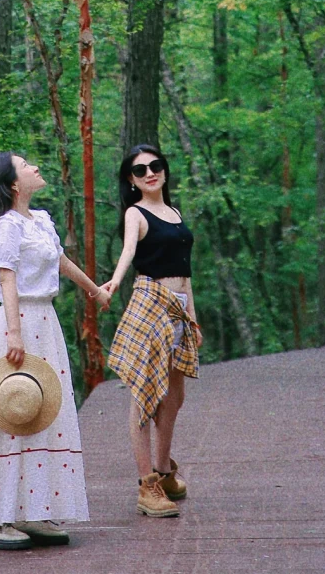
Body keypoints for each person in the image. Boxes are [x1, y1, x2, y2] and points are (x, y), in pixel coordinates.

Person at [0, 151, 107, 551]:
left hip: (45, 323)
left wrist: (94, 290)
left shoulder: (39, 220)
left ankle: (33, 509)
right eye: (25, 165)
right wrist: (13, 333)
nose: (34, 167)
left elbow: (58, 262)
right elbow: (7, 279)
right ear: (12, 184)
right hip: (19, 322)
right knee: (9, 411)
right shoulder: (7, 226)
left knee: (42, 412)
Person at [98, 144, 201, 519]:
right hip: (150, 303)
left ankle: (164, 470)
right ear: (132, 180)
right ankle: (147, 486)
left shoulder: (174, 212)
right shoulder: (135, 213)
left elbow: (186, 271)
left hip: (177, 309)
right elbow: (128, 252)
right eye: (140, 171)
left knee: (174, 395)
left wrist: (193, 316)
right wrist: (114, 282)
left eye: (155, 166)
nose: (149, 174)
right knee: (143, 394)